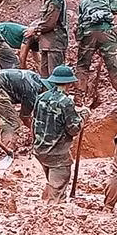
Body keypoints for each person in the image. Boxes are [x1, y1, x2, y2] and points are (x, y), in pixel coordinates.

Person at [32, 65, 86, 203]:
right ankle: (50, 212)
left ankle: (45, 203)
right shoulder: (66, 102)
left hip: (40, 149)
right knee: (57, 194)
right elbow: (73, 129)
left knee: (52, 182)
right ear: (69, 83)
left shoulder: (41, 97)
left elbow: (36, 121)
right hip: (57, 154)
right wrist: (83, 116)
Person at [75, 0, 117, 97]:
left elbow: (80, 21)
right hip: (106, 31)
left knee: (82, 66)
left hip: (87, 34)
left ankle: (79, 98)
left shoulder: (83, 1)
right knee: (114, 66)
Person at [0, 69, 49, 151]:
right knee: (12, 122)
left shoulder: (36, 79)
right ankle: (8, 149)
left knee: (11, 119)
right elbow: (24, 117)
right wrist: (38, 134)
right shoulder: (31, 92)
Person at [23, 0, 68, 78]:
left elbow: (50, 22)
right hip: (47, 44)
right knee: (45, 76)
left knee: (55, 76)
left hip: (55, 44)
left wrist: (34, 29)